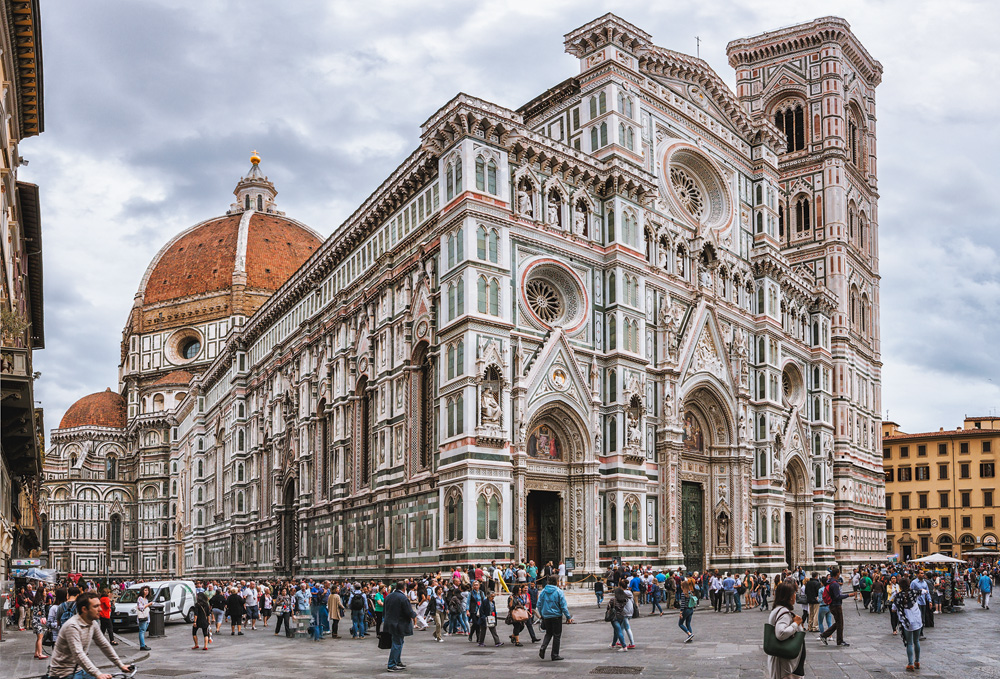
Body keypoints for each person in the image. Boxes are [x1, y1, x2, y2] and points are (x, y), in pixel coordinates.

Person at [47, 591, 132, 679]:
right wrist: (97, 673)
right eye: (96, 606)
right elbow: (78, 653)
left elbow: (104, 645)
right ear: (84, 609)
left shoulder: (92, 623)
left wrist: (121, 665)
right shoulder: (72, 626)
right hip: (64, 674)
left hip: (80, 669)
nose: (100, 609)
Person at [765, 582, 805, 679]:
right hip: (785, 665)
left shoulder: (777, 610)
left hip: (784, 663)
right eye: (795, 593)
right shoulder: (784, 613)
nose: (795, 596)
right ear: (790, 596)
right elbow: (781, 633)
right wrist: (796, 624)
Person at [536, 575, 573, 661]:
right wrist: (568, 617)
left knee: (548, 633)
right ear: (556, 582)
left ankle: (543, 647)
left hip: (546, 616)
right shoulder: (558, 591)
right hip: (556, 616)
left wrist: (542, 614)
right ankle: (555, 654)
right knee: (557, 635)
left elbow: (539, 604)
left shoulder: (544, 591)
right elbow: (563, 606)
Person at [383, 582, 416, 673]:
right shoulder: (403, 598)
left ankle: (397, 661)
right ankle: (392, 664)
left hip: (390, 622)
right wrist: (414, 615)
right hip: (399, 624)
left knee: (398, 642)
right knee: (397, 643)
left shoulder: (389, 596)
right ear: (404, 588)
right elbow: (409, 612)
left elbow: (384, 610)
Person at [893, 577, 923, 672]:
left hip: (907, 621)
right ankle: (917, 662)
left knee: (909, 643)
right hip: (917, 619)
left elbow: (893, 609)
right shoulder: (914, 593)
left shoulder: (897, 596)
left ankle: (910, 664)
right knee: (916, 641)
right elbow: (924, 591)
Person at [818, 567, 849, 646]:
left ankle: (827, 636)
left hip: (832, 605)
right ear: (837, 573)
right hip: (836, 605)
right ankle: (836, 639)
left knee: (839, 623)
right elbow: (837, 596)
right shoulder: (834, 584)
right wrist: (848, 595)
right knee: (840, 623)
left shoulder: (831, 582)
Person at [677, 577, 696, 642]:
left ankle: (689, 633)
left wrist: (680, 612)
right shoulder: (690, 593)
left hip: (686, 610)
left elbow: (682, 604)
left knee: (680, 624)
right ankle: (690, 637)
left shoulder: (683, 594)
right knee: (688, 624)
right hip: (691, 609)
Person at [136, 585, 152, 651]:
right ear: (142, 591)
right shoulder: (140, 598)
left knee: (144, 630)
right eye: (145, 590)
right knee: (142, 631)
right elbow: (141, 607)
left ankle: (143, 644)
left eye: (147, 590)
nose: (146, 592)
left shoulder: (146, 599)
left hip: (146, 617)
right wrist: (148, 605)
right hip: (142, 617)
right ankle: (142, 645)